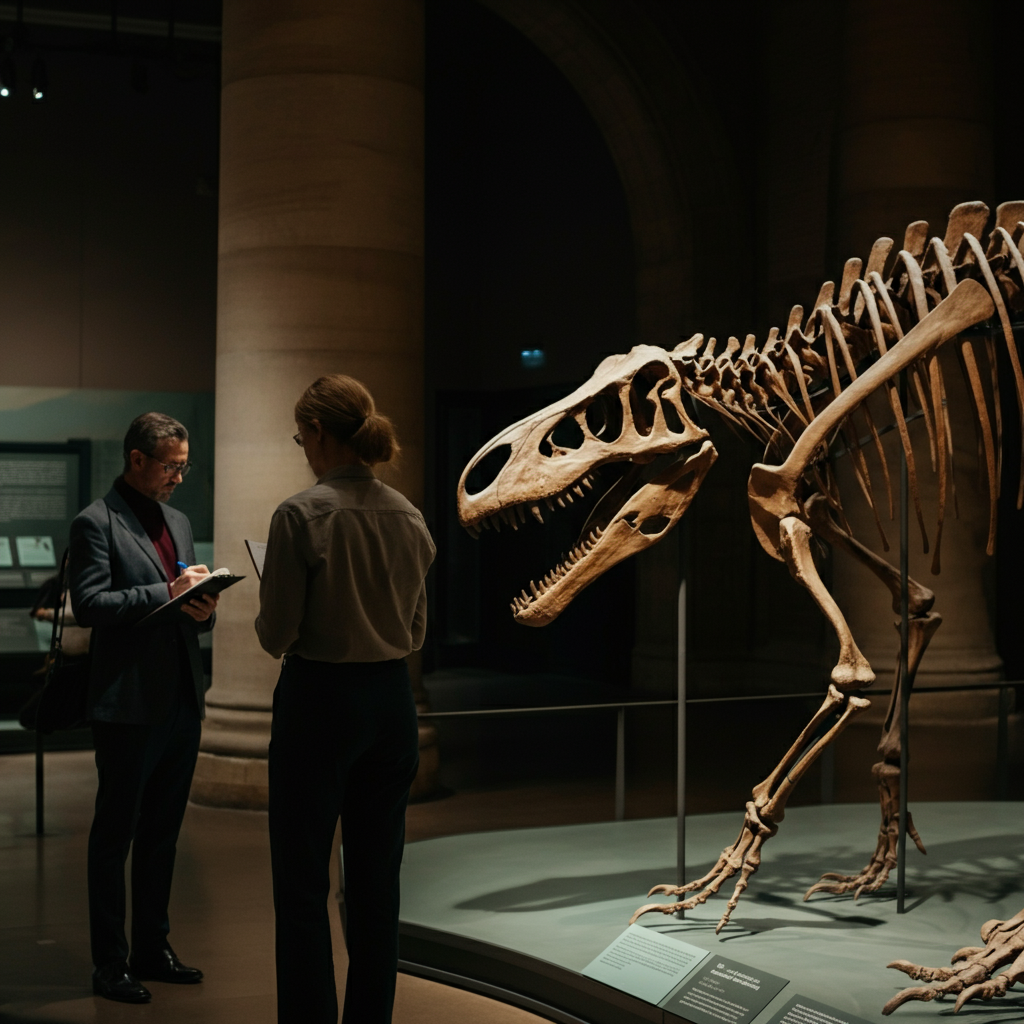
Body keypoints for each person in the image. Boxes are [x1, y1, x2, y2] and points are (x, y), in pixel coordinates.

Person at [256, 375, 435, 1024]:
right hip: (390, 702)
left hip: (319, 701)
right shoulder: (409, 516)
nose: (302, 448)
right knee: (377, 884)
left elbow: (277, 634)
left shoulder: (299, 515)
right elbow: (417, 630)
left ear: (318, 433)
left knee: (303, 883)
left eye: (301, 436)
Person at [69, 412, 219, 1004]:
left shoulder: (177, 521)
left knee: (163, 834)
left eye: (184, 466)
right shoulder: (95, 522)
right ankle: (110, 963)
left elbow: (182, 601)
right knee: (115, 837)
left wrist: (203, 608)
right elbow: (90, 605)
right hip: (128, 704)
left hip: (180, 697)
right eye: (171, 466)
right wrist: (167, 593)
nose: (179, 477)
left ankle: (152, 948)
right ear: (137, 460)